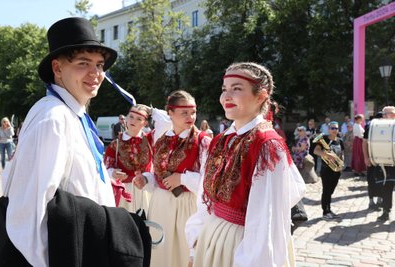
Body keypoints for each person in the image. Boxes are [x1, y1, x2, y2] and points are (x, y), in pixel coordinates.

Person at [1, 17, 121, 266]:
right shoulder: (53, 118)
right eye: (83, 63)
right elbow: (30, 217)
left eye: (99, 65)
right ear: (57, 68)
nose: (95, 73)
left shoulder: (72, 115)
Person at [185, 62, 305, 267]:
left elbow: (265, 222)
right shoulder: (222, 139)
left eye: (237, 88)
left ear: (261, 96)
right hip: (212, 240)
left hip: (241, 246)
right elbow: (207, 201)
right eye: (224, 89)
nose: (226, 96)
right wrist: (195, 245)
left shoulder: (267, 145)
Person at [133, 90, 211, 267]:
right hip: (160, 204)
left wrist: (183, 179)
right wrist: (146, 179)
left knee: (183, 254)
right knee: (161, 253)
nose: (190, 116)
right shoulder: (161, 140)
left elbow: (209, 181)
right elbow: (157, 172)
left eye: (193, 112)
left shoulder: (203, 141)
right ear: (170, 113)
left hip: (187, 205)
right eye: (184, 112)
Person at [104, 104, 171, 212]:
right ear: (126, 118)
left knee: (145, 224)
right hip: (123, 192)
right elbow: (105, 168)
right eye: (131, 116)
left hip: (146, 189)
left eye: (138, 118)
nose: (133, 121)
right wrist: (112, 173)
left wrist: (151, 111)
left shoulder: (151, 139)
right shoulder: (115, 144)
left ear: (145, 123)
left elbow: (168, 122)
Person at [365, 107, 395, 221]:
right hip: (384, 163)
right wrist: (367, 157)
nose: (386, 116)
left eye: (390, 114)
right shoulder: (376, 127)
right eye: (385, 114)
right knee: (386, 188)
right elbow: (366, 142)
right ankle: (386, 212)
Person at [314, 121, 344, 219]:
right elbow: (316, 151)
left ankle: (329, 210)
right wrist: (327, 154)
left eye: (336, 128)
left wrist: (341, 164)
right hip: (326, 169)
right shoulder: (324, 139)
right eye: (332, 128)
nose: (334, 130)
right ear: (328, 129)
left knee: (331, 191)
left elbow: (342, 153)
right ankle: (325, 212)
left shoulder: (340, 141)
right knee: (326, 190)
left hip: (336, 170)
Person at [362, 111, 383, 211]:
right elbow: (364, 142)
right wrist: (366, 157)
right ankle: (371, 202)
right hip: (372, 157)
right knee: (371, 179)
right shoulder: (370, 126)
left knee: (382, 178)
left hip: (382, 157)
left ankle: (379, 200)